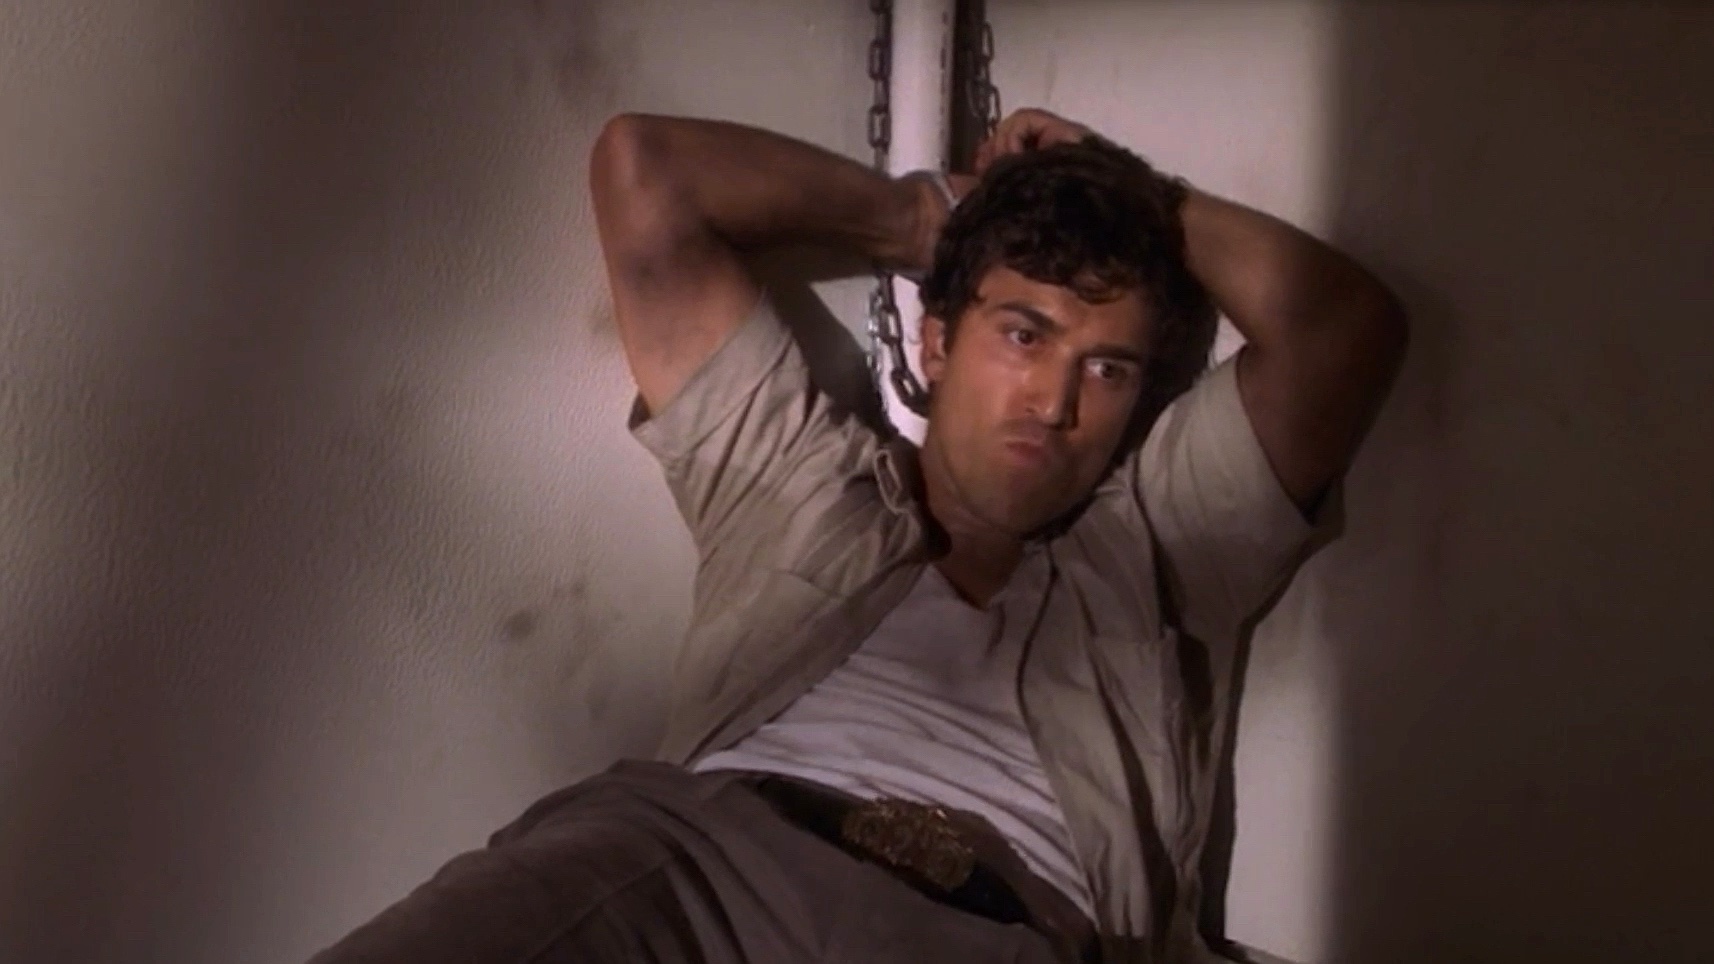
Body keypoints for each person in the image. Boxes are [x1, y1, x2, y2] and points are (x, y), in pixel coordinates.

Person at [311, 107, 1406, 964]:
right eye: (1024, 334)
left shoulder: (1157, 541)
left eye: (1107, 368)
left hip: (997, 925)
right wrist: (926, 220)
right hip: (693, 863)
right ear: (937, 341)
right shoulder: (799, 482)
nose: (1055, 400)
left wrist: (1129, 191)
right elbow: (648, 171)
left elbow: (1341, 328)